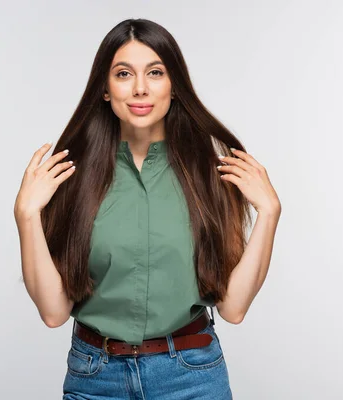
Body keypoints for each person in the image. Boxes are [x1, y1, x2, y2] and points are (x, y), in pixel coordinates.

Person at [14, 18, 281, 400]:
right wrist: (26, 216)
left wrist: (269, 213)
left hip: (191, 378)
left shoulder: (211, 175)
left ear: (174, 86)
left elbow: (234, 309)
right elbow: (54, 313)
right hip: (95, 378)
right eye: (124, 74)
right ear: (105, 89)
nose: (140, 88)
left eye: (155, 72)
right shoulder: (69, 176)